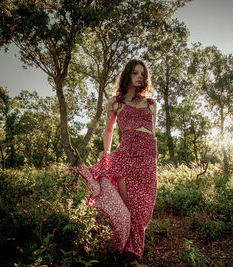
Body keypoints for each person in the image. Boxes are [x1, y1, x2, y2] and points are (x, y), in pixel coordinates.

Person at [76, 59, 157, 267]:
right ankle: (131, 258)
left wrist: (151, 157)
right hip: (127, 156)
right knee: (131, 208)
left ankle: (131, 255)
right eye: (135, 73)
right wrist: (107, 152)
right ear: (128, 75)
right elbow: (109, 130)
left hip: (148, 159)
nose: (140, 76)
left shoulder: (151, 104)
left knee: (144, 211)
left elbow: (152, 133)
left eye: (142, 74)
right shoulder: (115, 103)